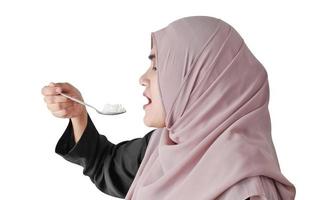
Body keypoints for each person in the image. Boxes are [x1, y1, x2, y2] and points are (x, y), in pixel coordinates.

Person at [41, 16, 296, 199]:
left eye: (157, 66)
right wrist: (79, 116)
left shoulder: (246, 189)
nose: (143, 77)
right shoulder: (165, 146)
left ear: (199, 79)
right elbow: (106, 165)